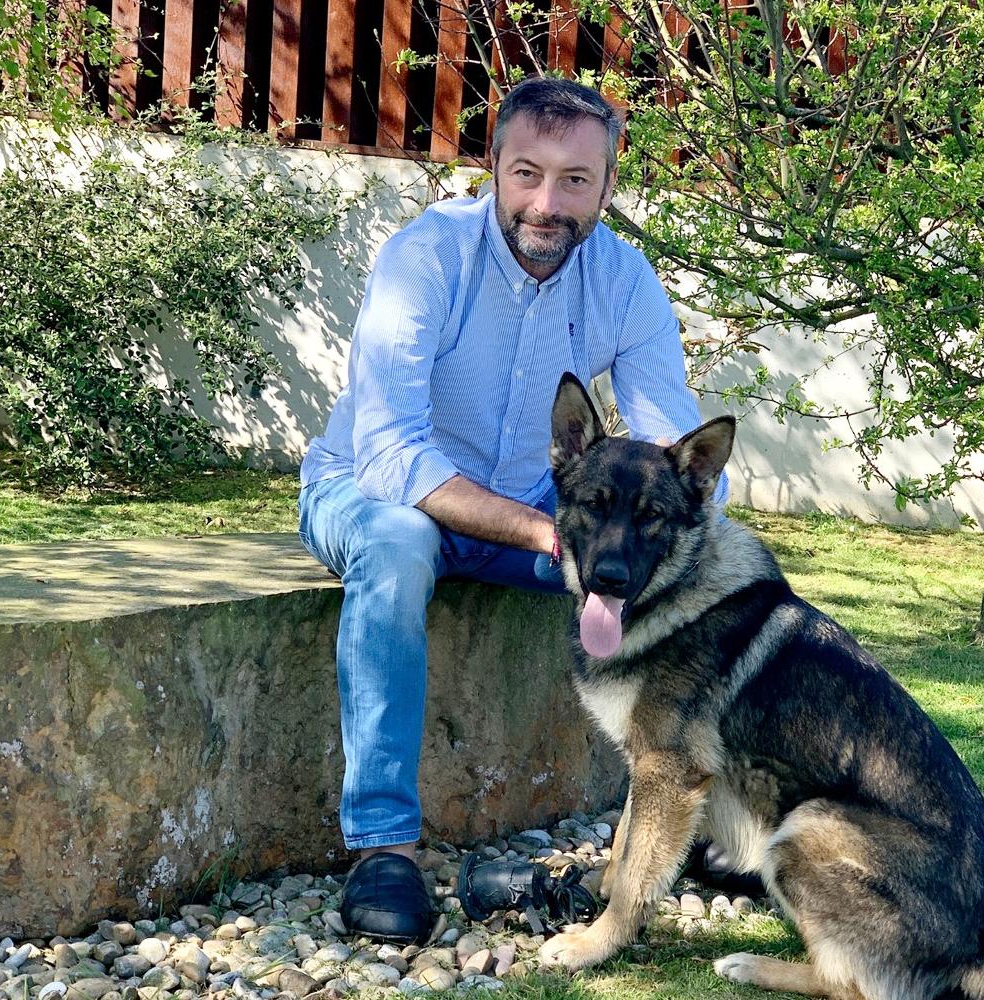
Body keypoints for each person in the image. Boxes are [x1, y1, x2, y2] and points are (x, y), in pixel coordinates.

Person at [297, 77, 727, 941]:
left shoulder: (623, 279)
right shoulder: (426, 257)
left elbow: (674, 439)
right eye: (527, 172)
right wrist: (544, 533)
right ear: (490, 166)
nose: (547, 202)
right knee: (396, 542)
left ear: (609, 186)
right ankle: (384, 848)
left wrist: (690, 525)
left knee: (695, 564)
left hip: (527, 510)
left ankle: (712, 813)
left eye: (576, 180)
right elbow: (388, 452)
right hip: (370, 491)